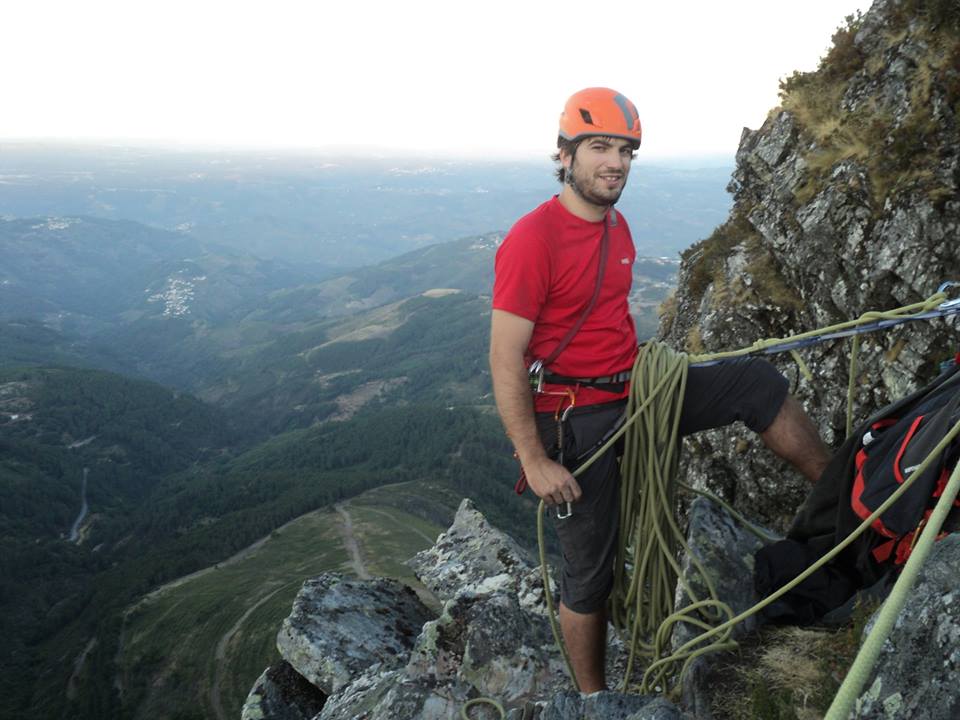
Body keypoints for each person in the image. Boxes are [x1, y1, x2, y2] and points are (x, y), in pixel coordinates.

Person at [488, 87, 831, 693]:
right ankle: (595, 702)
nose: (614, 162)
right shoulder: (532, 238)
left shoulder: (616, 228)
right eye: (599, 147)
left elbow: (604, 319)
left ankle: (846, 502)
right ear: (565, 155)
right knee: (590, 572)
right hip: (574, 419)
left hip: (639, 395)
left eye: (625, 151)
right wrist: (534, 459)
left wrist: (640, 360)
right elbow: (505, 356)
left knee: (753, 384)